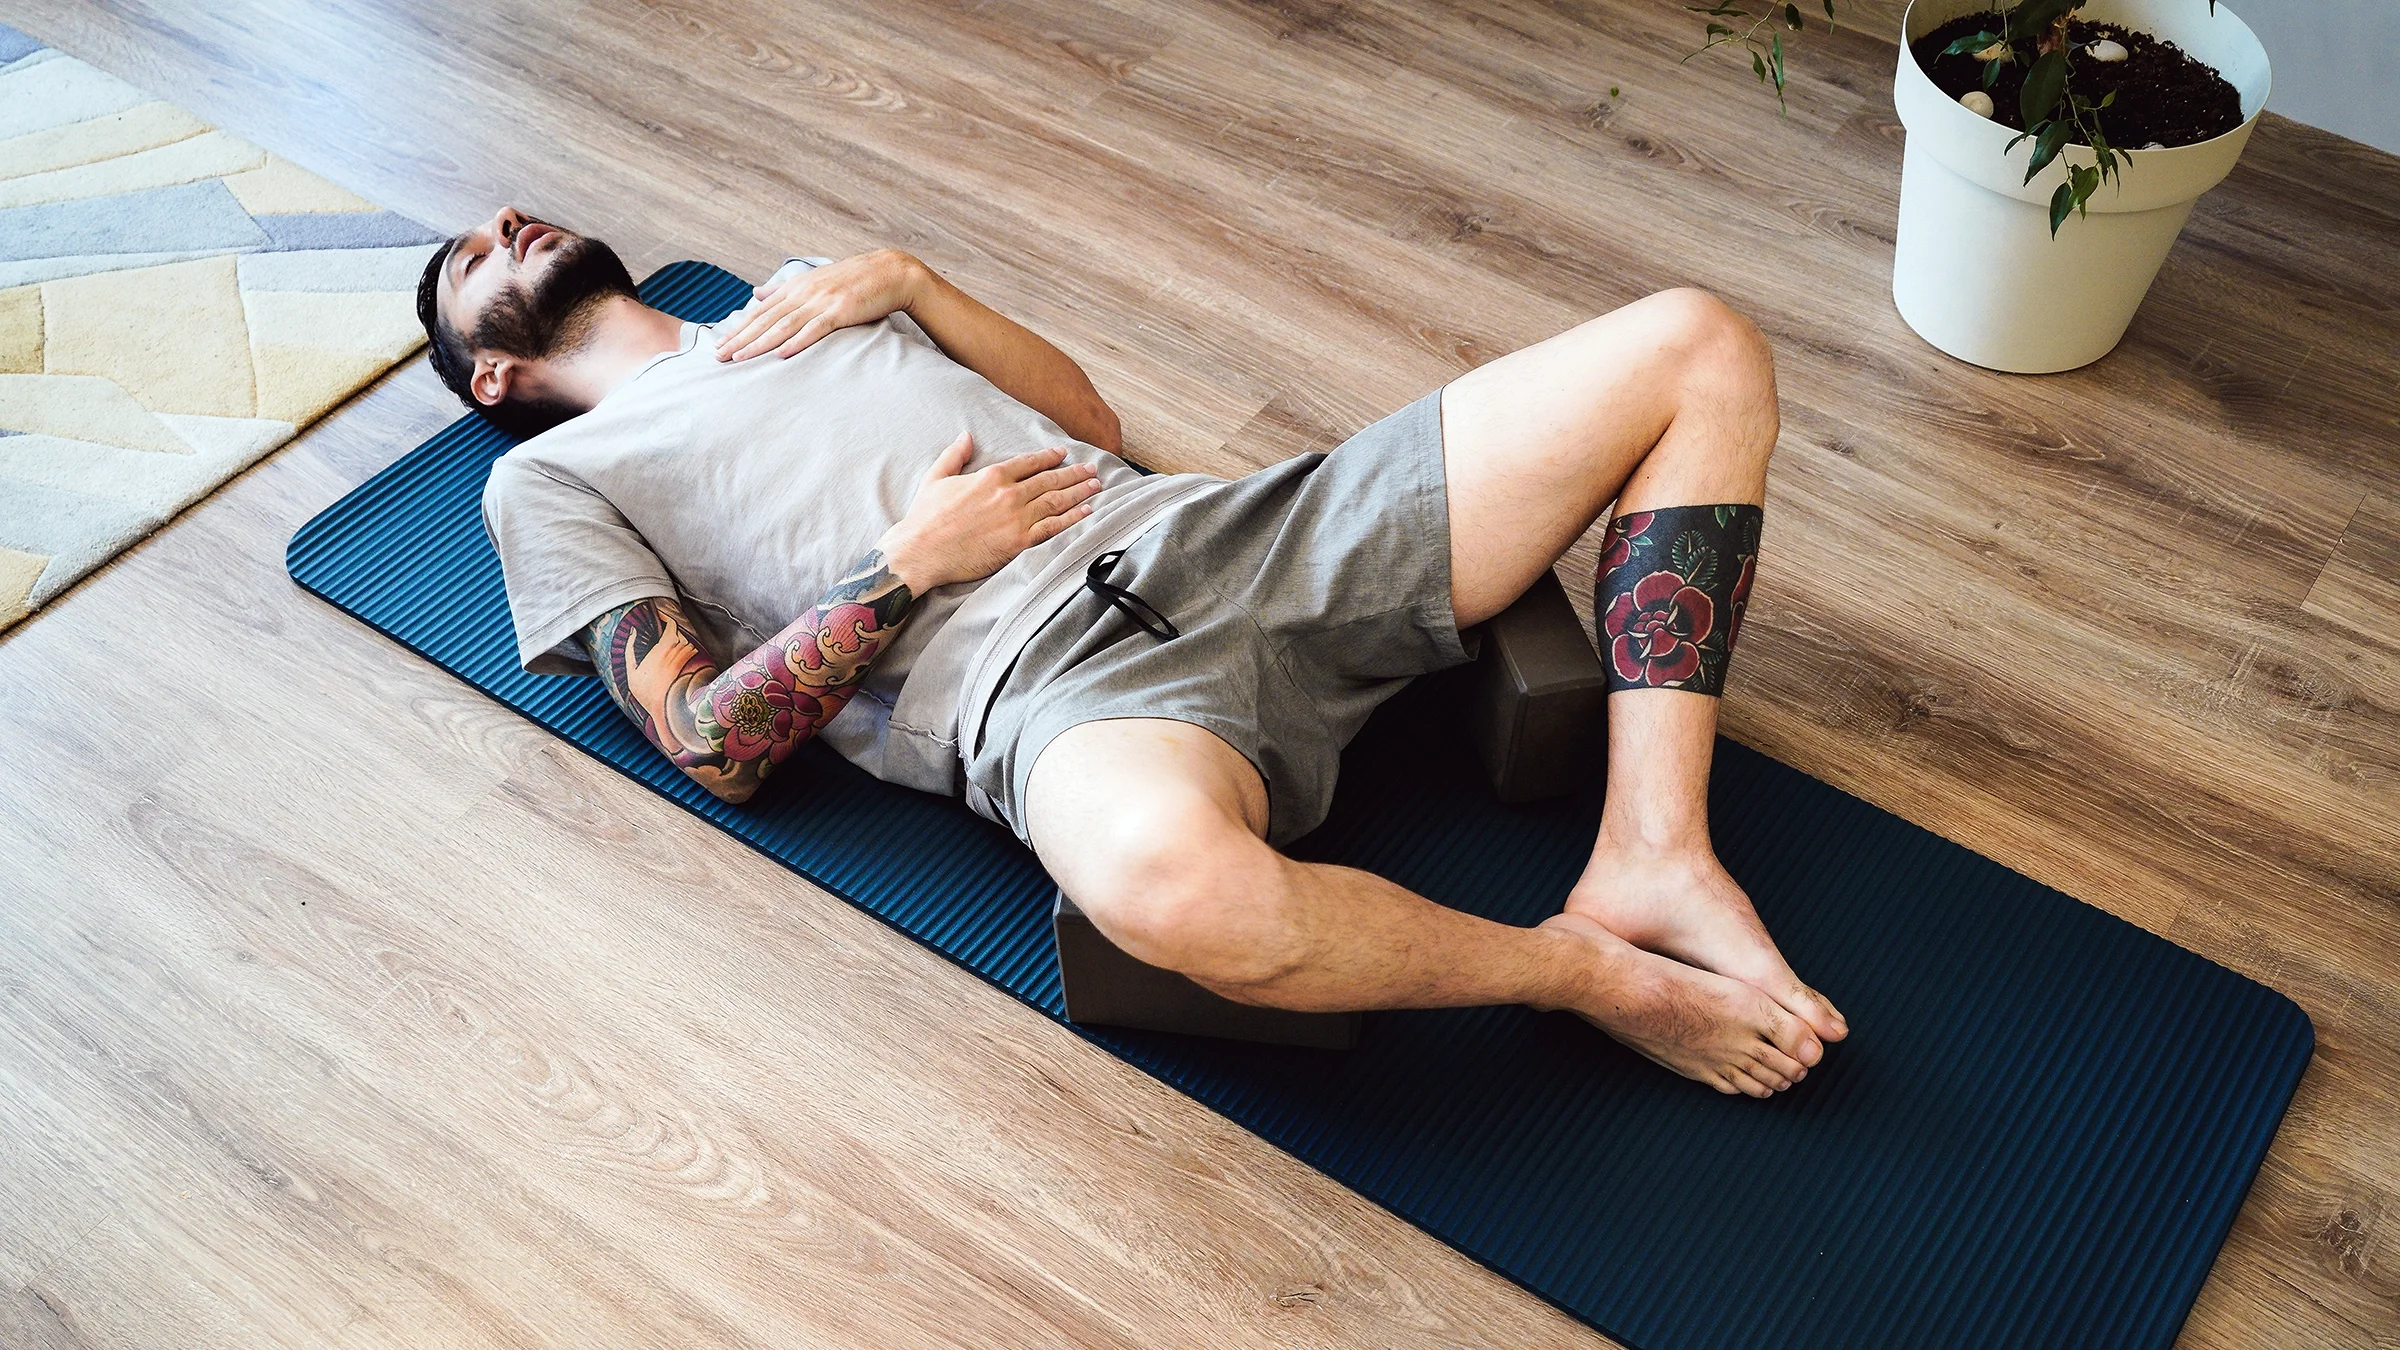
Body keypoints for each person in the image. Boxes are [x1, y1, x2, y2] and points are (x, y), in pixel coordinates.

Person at [416, 207, 1847, 1097]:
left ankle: (1655, 849)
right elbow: (711, 741)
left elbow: (1090, 423)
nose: (503, 224)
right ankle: (1588, 972)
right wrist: (911, 566)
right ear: (492, 373)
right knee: (1167, 885)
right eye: (472, 260)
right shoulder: (545, 480)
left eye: (503, 218)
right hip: (1058, 689)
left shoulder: (798, 296)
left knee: (1698, 343)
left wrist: (910, 279)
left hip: (1229, 532)